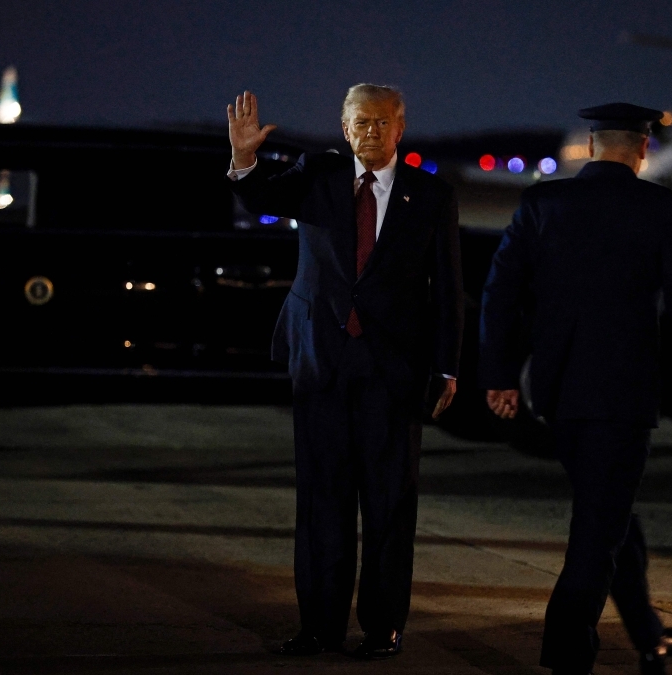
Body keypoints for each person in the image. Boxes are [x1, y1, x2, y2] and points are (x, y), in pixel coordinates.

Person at [479, 103, 672, 675]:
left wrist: (500, 376)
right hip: (624, 393)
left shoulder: (542, 203)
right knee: (598, 526)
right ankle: (567, 649)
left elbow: (499, 295)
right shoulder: (662, 207)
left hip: (557, 391)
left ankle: (647, 633)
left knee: (608, 512)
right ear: (641, 150)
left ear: (590, 146)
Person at [226, 86, 464, 658]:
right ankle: (319, 626)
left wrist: (447, 367)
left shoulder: (430, 196)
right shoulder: (318, 175)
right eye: (361, 122)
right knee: (322, 504)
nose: (371, 132)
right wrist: (243, 157)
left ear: (400, 129)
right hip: (322, 370)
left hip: (393, 375)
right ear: (344, 126)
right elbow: (258, 196)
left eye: (383, 122)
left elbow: (448, 290)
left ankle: (383, 626)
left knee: (389, 506)